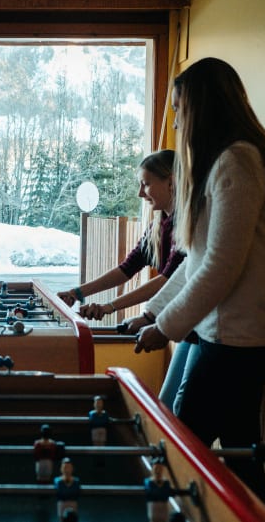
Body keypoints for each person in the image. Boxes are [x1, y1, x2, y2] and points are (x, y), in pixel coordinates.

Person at [133, 57, 265, 502]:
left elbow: (219, 270)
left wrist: (165, 327)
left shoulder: (237, 163)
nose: (177, 120)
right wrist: (152, 312)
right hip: (247, 338)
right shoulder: (236, 159)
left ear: (201, 107)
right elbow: (197, 258)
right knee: (242, 453)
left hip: (241, 342)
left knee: (178, 452)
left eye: (179, 108)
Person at [56, 149, 196, 412]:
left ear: (171, 182)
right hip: (187, 328)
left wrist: (110, 307)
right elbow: (126, 269)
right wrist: (78, 292)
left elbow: (167, 280)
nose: (140, 193)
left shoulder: (188, 224)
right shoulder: (160, 223)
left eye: (145, 184)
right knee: (169, 407)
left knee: (178, 410)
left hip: (202, 328)